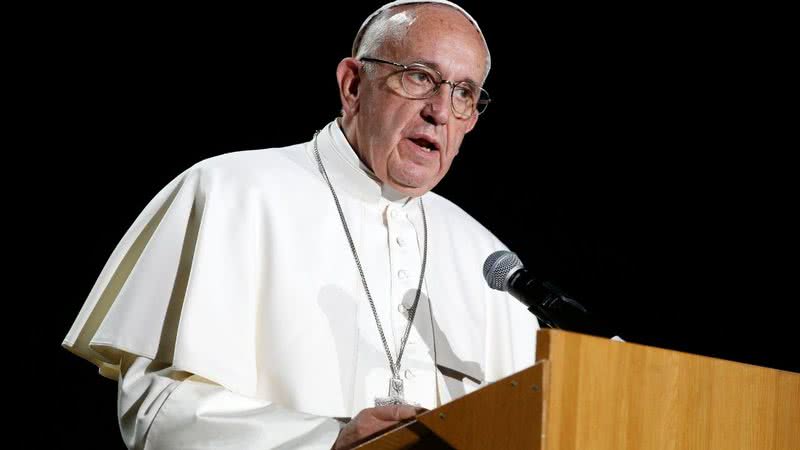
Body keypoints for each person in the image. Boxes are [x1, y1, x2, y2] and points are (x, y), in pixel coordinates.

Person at [62, 1, 539, 448]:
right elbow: (158, 410)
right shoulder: (231, 191)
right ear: (352, 85)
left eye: (464, 94)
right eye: (419, 77)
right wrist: (324, 439)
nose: (439, 111)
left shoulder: (486, 257)